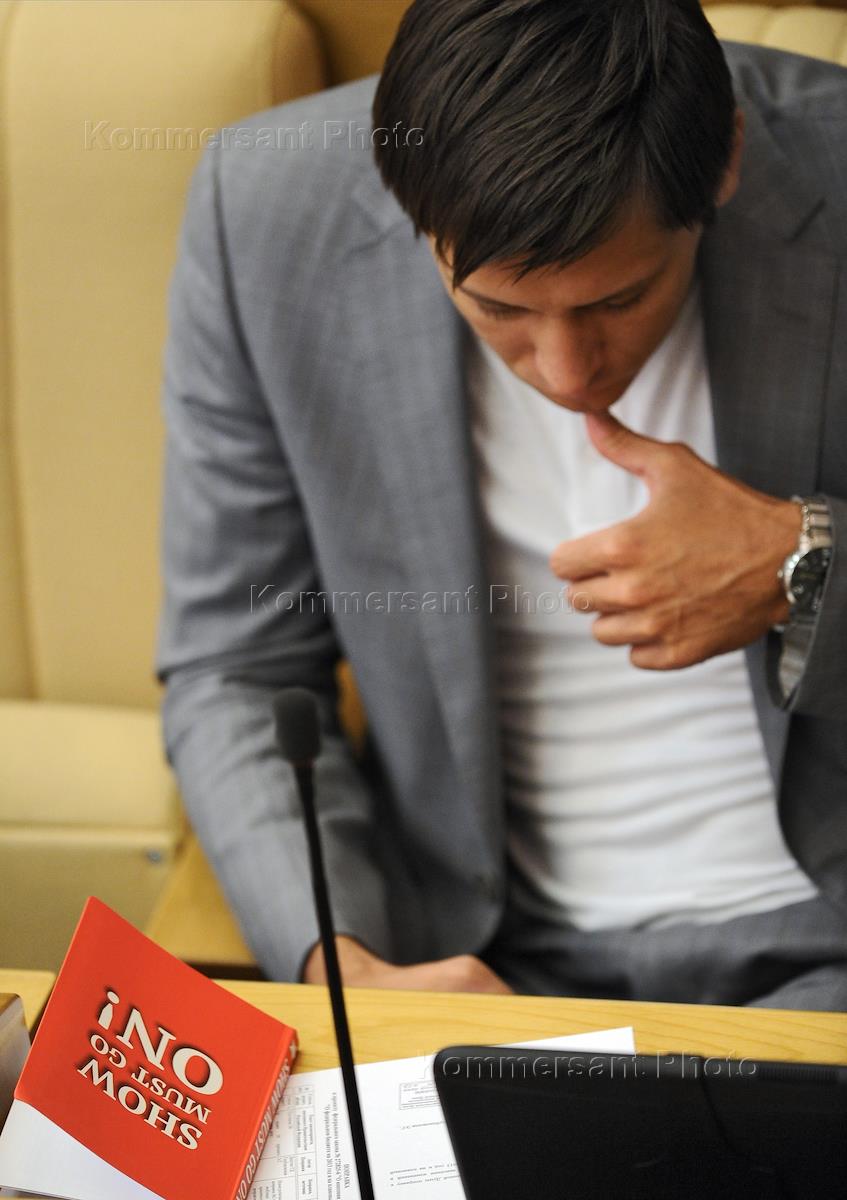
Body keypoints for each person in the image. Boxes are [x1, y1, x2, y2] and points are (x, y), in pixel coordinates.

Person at [157, 0, 847, 1008]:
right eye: (498, 308)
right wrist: (346, 967)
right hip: (475, 966)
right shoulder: (265, 216)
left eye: (618, 299)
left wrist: (802, 558)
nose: (566, 373)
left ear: (726, 162)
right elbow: (237, 667)